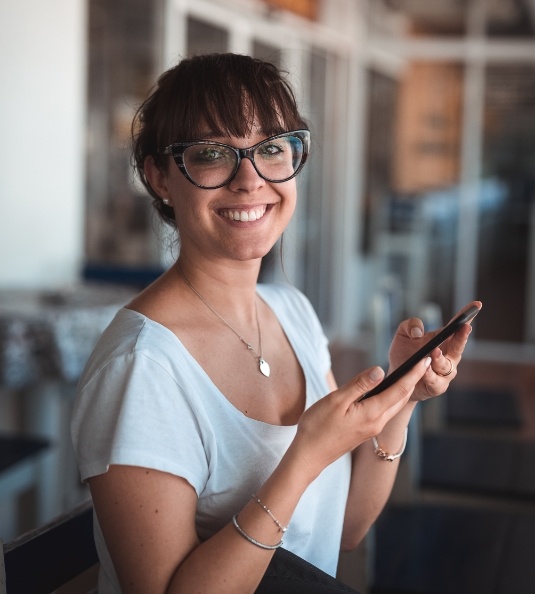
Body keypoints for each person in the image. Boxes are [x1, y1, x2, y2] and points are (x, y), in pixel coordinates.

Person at [71, 52, 479, 594]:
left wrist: (399, 401)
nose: (250, 180)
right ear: (160, 177)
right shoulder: (141, 369)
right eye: (214, 153)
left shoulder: (292, 312)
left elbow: (348, 529)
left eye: (270, 149)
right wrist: (304, 455)